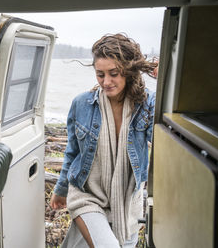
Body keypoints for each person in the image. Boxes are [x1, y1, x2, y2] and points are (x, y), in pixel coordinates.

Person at [50, 33, 158, 248]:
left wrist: (166, 81)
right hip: (86, 196)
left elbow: (163, 138)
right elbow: (72, 152)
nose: (106, 82)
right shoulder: (82, 104)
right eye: (100, 74)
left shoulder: (147, 104)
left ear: (127, 71)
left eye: (114, 73)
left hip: (128, 204)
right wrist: (61, 189)